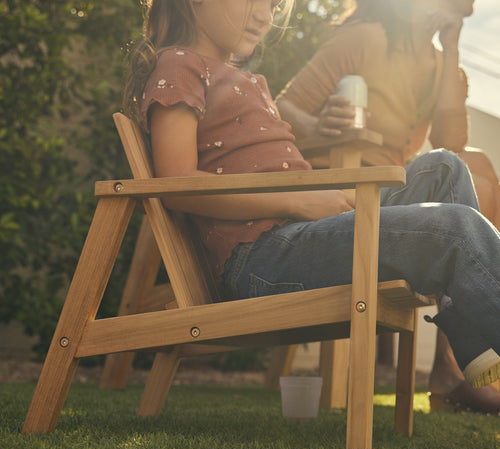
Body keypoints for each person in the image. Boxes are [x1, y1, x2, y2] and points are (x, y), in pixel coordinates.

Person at [123, 0, 500, 405]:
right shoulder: (180, 66)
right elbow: (177, 184)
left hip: (296, 236)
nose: (266, 15)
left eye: (272, 4)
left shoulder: (246, 79)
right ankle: (481, 340)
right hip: (262, 258)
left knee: (444, 168)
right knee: (456, 228)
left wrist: (331, 199)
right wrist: (300, 202)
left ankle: (476, 343)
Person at [275, 0, 500, 412]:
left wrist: (450, 50)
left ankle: (452, 364)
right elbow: (282, 109)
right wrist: (317, 125)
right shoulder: (365, 36)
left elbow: (450, 141)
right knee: (469, 171)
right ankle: (456, 361)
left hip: (396, 191)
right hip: (344, 190)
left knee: (476, 167)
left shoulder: (443, 67)